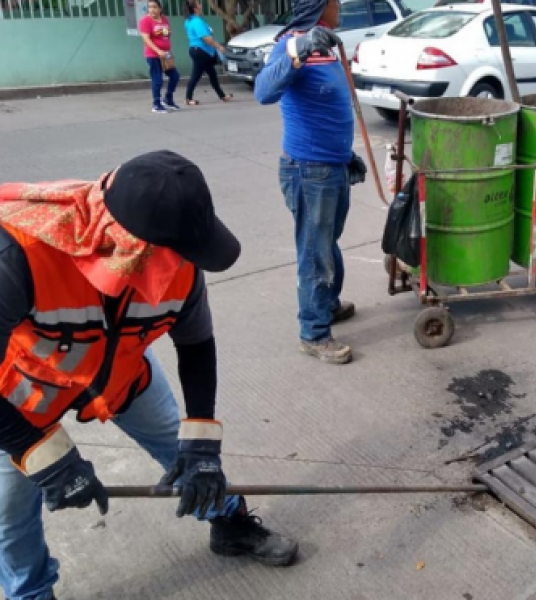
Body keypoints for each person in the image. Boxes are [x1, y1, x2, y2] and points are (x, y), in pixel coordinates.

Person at [0, 151, 298, 600]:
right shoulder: (20, 255)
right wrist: (43, 457)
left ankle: (229, 523)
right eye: (175, 254)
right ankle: (30, 593)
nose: (184, 266)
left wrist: (202, 447)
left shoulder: (181, 264)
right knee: (11, 509)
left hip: (123, 377)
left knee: (187, 455)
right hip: (25, 392)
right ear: (126, 245)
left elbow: (196, 345)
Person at [254, 0, 367, 365]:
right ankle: (314, 333)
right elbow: (263, 91)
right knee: (314, 251)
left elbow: (330, 106)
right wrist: (299, 51)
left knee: (326, 243)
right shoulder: (292, 43)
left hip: (331, 165)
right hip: (308, 171)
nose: (340, 7)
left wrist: (345, 153)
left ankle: (328, 305)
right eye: (335, 1)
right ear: (321, 6)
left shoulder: (327, 44)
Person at [183, 0, 233, 106]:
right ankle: (188, 98)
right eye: (199, 4)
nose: (201, 6)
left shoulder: (189, 20)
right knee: (197, 75)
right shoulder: (197, 22)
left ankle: (222, 95)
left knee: (211, 74)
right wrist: (219, 47)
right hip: (201, 51)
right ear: (195, 8)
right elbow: (206, 38)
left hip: (197, 50)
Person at [139, 0, 181, 114]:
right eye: (149, 7)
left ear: (160, 8)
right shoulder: (145, 21)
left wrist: (166, 48)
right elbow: (146, 39)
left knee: (175, 76)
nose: (152, 10)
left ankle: (168, 99)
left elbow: (167, 34)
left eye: (154, 7)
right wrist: (158, 50)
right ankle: (156, 104)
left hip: (166, 54)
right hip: (153, 54)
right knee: (157, 79)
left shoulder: (164, 19)